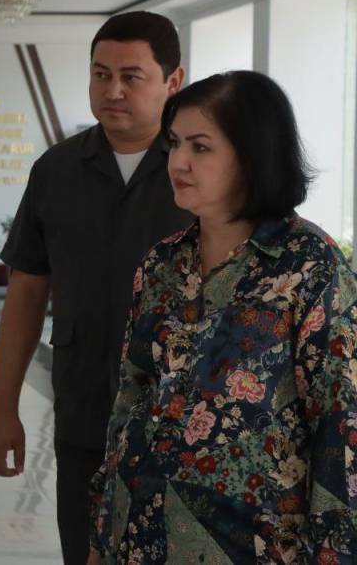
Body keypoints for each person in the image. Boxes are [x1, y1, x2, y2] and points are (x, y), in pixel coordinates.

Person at [88, 71, 357, 563]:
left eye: (201, 147)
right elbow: (130, 398)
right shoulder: (162, 264)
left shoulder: (310, 267)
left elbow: (342, 426)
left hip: (253, 544)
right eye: (174, 143)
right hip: (141, 533)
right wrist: (102, 534)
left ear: (253, 156)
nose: (178, 162)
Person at [0, 11, 193, 564]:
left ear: (173, 81)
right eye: (101, 74)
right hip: (84, 415)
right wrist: (4, 409)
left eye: (131, 76)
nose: (112, 90)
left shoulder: (198, 170)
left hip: (182, 424)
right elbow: (26, 294)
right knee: (83, 550)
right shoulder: (56, 171)